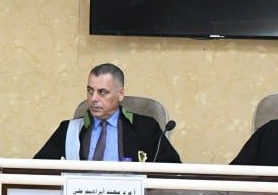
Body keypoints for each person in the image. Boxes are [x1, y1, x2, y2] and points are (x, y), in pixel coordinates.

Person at [34, 63, 180, 163]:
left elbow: (172, 172)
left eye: (102, 92)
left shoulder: (146, 128)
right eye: (90, 91)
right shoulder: (68, 130)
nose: (93, 99)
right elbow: (38, 171)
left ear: (120, 94)